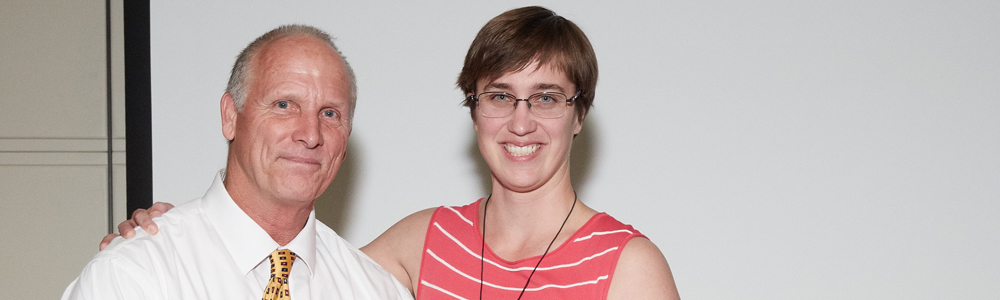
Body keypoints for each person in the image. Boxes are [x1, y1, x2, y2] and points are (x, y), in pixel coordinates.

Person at [111, 6, 679, 299]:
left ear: (580, 115)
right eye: (500, 96)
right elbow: (288, 265)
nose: (521, 121)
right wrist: (170, 231)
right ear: (475, 111)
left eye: (547, 98)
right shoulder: (424, 243)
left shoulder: (629, 269)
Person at [64, 25, 412, 300]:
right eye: (284, 105)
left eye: (330, 113)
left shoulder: (378, 291)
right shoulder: (136, 275)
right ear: (230, 116)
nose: (310, 133)